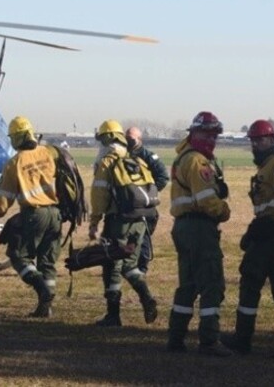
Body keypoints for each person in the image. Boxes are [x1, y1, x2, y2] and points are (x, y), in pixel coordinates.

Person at [221, 120, 274, 358]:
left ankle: (243, 339)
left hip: (272, 237)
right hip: (267, 233)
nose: (256, 144)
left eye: (261, 139)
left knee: (251, 284)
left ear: (272, 140)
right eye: (253, 140)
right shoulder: (265, 167)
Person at [0, 116, 61, 318]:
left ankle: (41, 288)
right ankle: (45, 307)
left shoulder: (15, 163)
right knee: (47, 261)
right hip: (55, 214)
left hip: (34, 214)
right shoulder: (47, 154)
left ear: (16, 138)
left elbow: (3, 201)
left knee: (18, 256)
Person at [167, 111, 232, 356]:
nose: (211, 138)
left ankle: (176, 337)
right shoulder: (197, 161)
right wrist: (224, 210)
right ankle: (209, 340)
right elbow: (207, 201)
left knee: (188, 284)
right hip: (199, 227)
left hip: (184, 226)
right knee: (212, 283)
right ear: (194, 133)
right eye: (207, 133)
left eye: (214, 134)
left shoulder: (185, 157)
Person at [89, 120, 158, 327]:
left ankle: (113, 315)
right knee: (129, 264)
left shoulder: (107, 162)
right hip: (140, 221)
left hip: (117, 222)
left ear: (106, 139)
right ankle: (146, 296)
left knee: (112, 264)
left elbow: (99, 195)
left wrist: (94, 223)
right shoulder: (137, 161)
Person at [126, 126, 170, 273]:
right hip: (126, 206)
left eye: (131, 139)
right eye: (125, 138)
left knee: (142, 237)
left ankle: (142, 267)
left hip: (144, 207)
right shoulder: (121, 156)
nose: (127, 141)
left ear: (140, 139)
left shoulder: (149, 157)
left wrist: (148, 194)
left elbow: (163, 177)